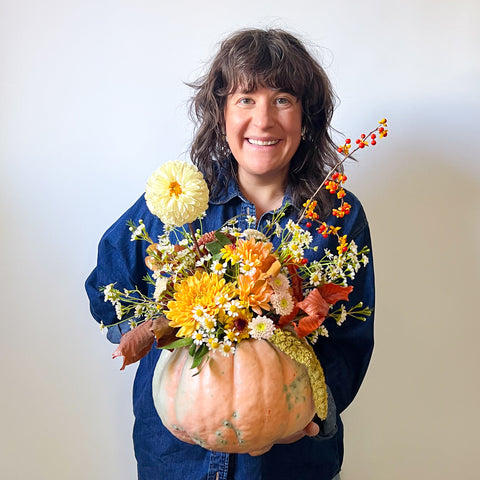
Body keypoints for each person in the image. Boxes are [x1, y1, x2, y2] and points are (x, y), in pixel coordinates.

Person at [85, 28, 374, 480]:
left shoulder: (336, 217)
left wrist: (313, 413)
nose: (263, 121)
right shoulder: (177, 202)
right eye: (245, 99)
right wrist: (165, 328)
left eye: (282, 100)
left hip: (290, 464)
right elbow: (108, 286)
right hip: (178, 461)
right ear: (219, 113)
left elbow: (350, 343)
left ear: (306, 117)